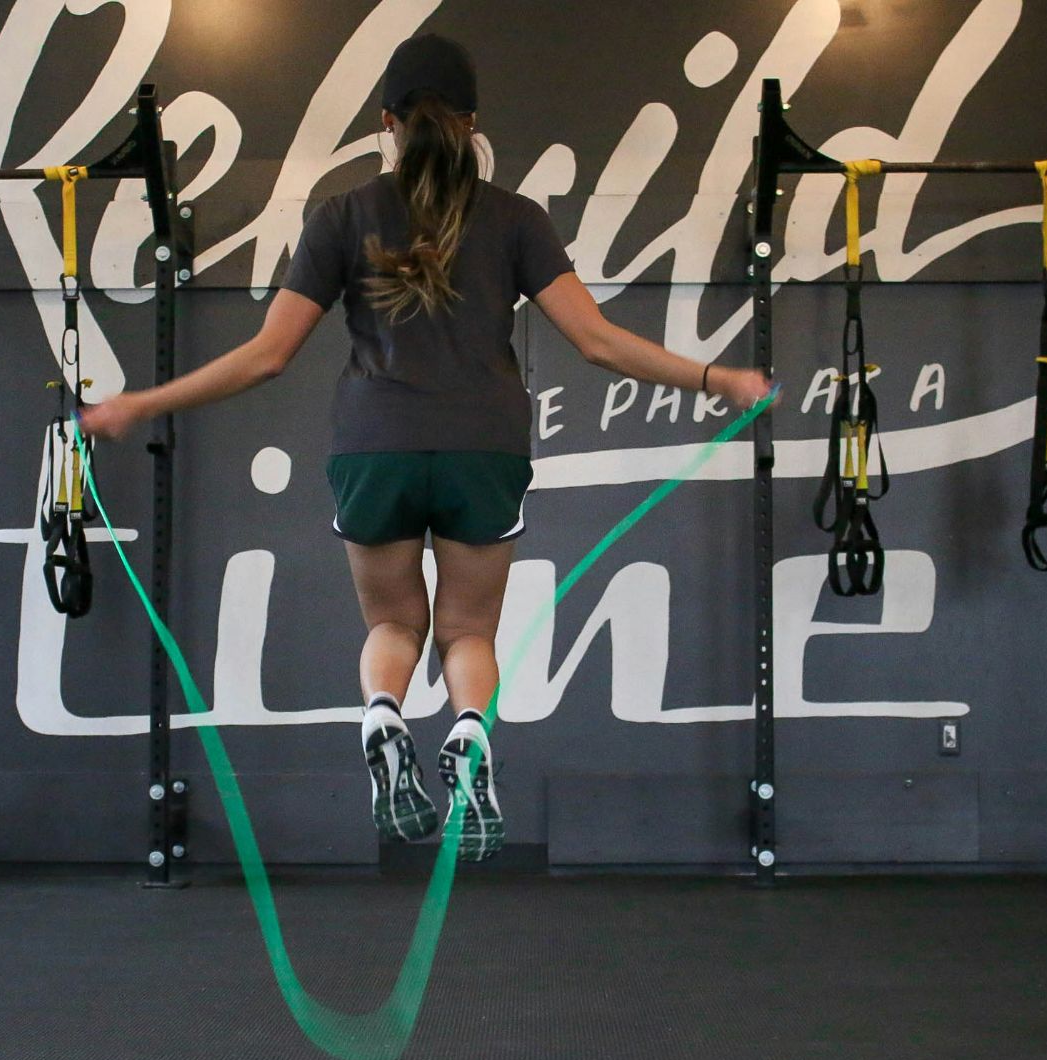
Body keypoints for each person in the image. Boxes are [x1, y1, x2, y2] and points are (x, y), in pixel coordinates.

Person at [81, 33, 772, 859]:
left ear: (387, 123)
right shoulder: (516, 218)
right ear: (472, 123)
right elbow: (596, 342)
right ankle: (469, 736)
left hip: (376, 448)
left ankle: (382, 718)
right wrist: (715, 378)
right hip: (485, 446)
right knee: (469, 631)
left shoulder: (343, 216)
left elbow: (267, 356)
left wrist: (142, 402)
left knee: (393, 624)